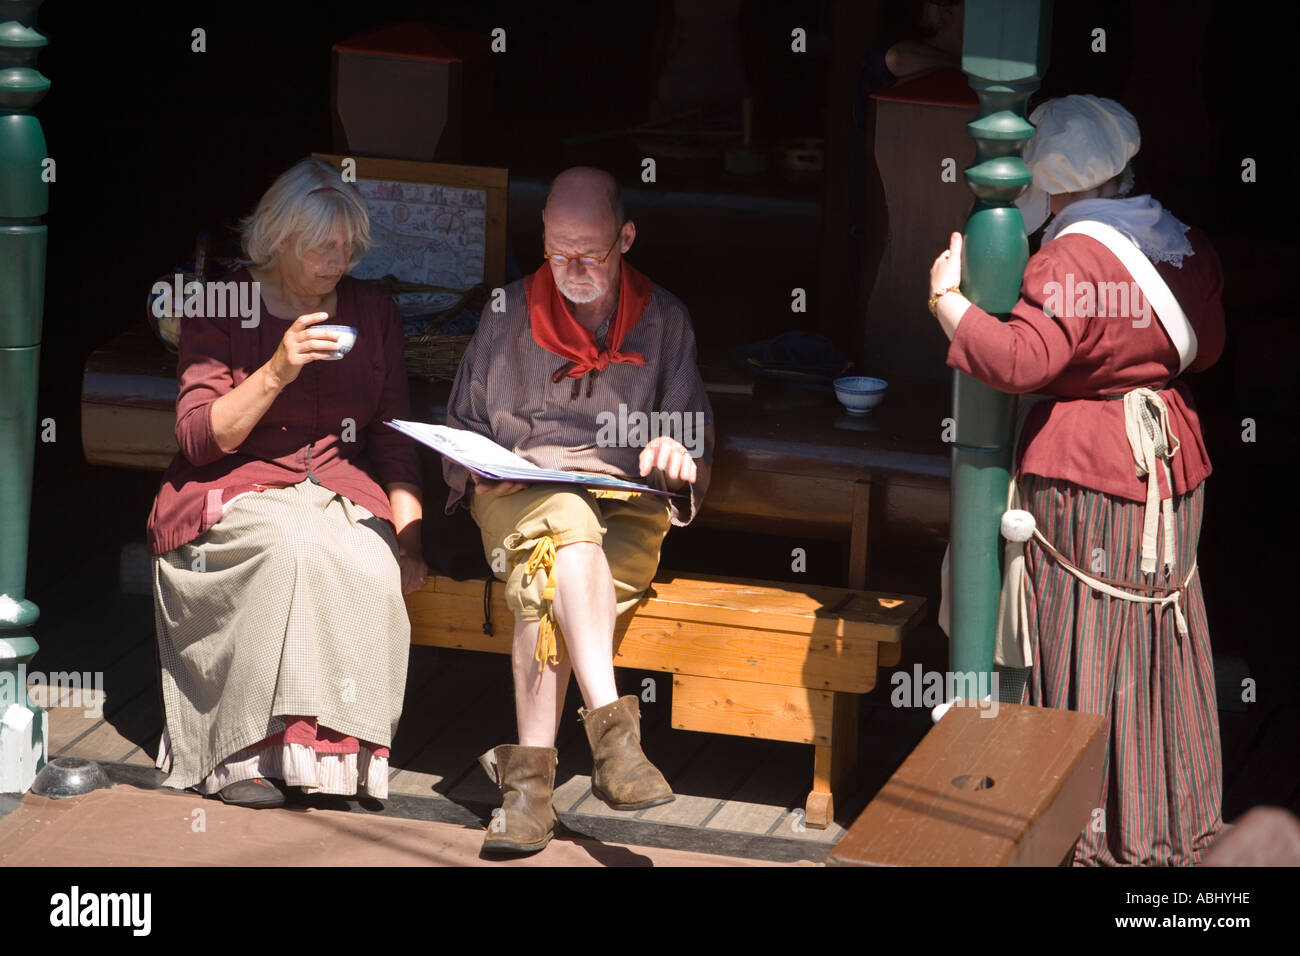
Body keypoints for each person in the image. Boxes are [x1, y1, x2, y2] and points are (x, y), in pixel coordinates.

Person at [928, 95, 1226, 865]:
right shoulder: (1182, 243)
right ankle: (1165, 828)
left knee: (1092, 651)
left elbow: (1026, 361)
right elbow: (1213, 344)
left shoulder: (1070, 256)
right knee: (1160, 647)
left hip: (1092, 474)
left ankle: (1090, 839)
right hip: (1169, 464)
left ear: (1052, 186)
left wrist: (949, 305)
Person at [444, 166, 714, 853]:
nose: (570, 268)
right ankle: (613, 740)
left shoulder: (665, 317)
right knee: (564, 520)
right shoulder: (505, 310)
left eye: (589, 252)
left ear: (625, 237)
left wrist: (677, 455)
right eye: (556, 251)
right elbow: (463, 423)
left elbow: (690, 439)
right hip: (519, 498)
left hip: (626, 505)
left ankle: (526, 793)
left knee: (549, 586)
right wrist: (477, 464)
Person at [146, 157, 426, 808]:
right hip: (232, 486)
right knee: (287, 548)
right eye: (322, 245)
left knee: (365, 559)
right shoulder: (223, 304)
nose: (341, 258)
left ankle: (329, 759)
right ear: (275, 239)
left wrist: (410, 538)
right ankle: (240, 754)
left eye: (349, 244)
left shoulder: (372, 311)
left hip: (339, 485)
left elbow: (392, 435)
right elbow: (196, 438)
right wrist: (276, 370)